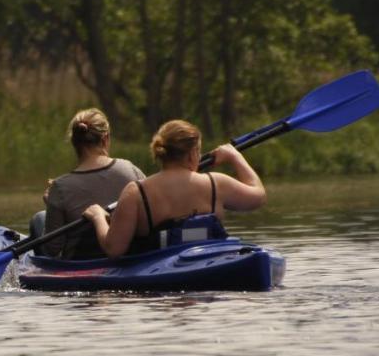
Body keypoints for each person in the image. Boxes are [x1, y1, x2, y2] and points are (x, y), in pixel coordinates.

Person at [82, 119, 266, 258]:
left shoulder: (136, 192)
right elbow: (258, 195)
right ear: (193, 154)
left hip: (161, 280)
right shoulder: (216, 183)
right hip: (209, 268)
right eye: (198, 151)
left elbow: (114, 249)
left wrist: (98, 217)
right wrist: (235, 157)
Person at [39, 108, 146, 258]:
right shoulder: (130, 169)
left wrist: (51, 204)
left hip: (82, 265)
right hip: (129, 259)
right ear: (105, 139)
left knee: (38, 219)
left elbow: (52, 249)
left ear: (74, 142)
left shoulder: (60, 187)